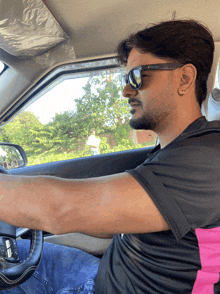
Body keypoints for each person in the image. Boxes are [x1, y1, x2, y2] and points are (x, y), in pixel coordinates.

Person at [1, 19, 220, 294]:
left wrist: (55, 214)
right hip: (100, 277)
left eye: (137, 77)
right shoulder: (173, 151)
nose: (127, 91)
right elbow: (115, 223)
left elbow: (58, 208)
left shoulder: (207, 159)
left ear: (184, 78)